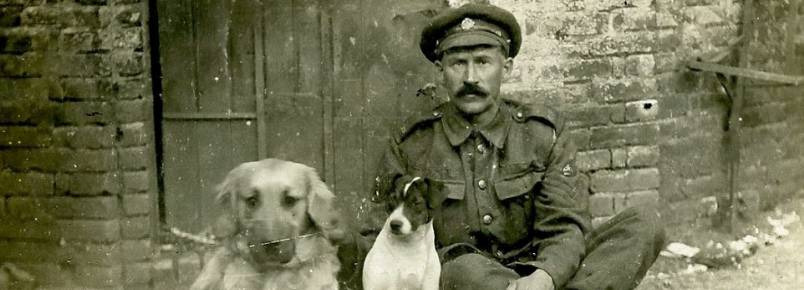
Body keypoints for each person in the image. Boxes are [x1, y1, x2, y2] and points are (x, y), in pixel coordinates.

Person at [351, 3, 666, 290]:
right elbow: (377, 231)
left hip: (537, 269)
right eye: (458, 63)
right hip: (466, 276)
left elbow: (565, 224)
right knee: (463, 270)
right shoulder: (413, 141)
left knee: (642, 224)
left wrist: (545, 276)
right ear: (440, 71)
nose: (471, 77)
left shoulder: (543, 132)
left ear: (508, 67)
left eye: (483, 61)